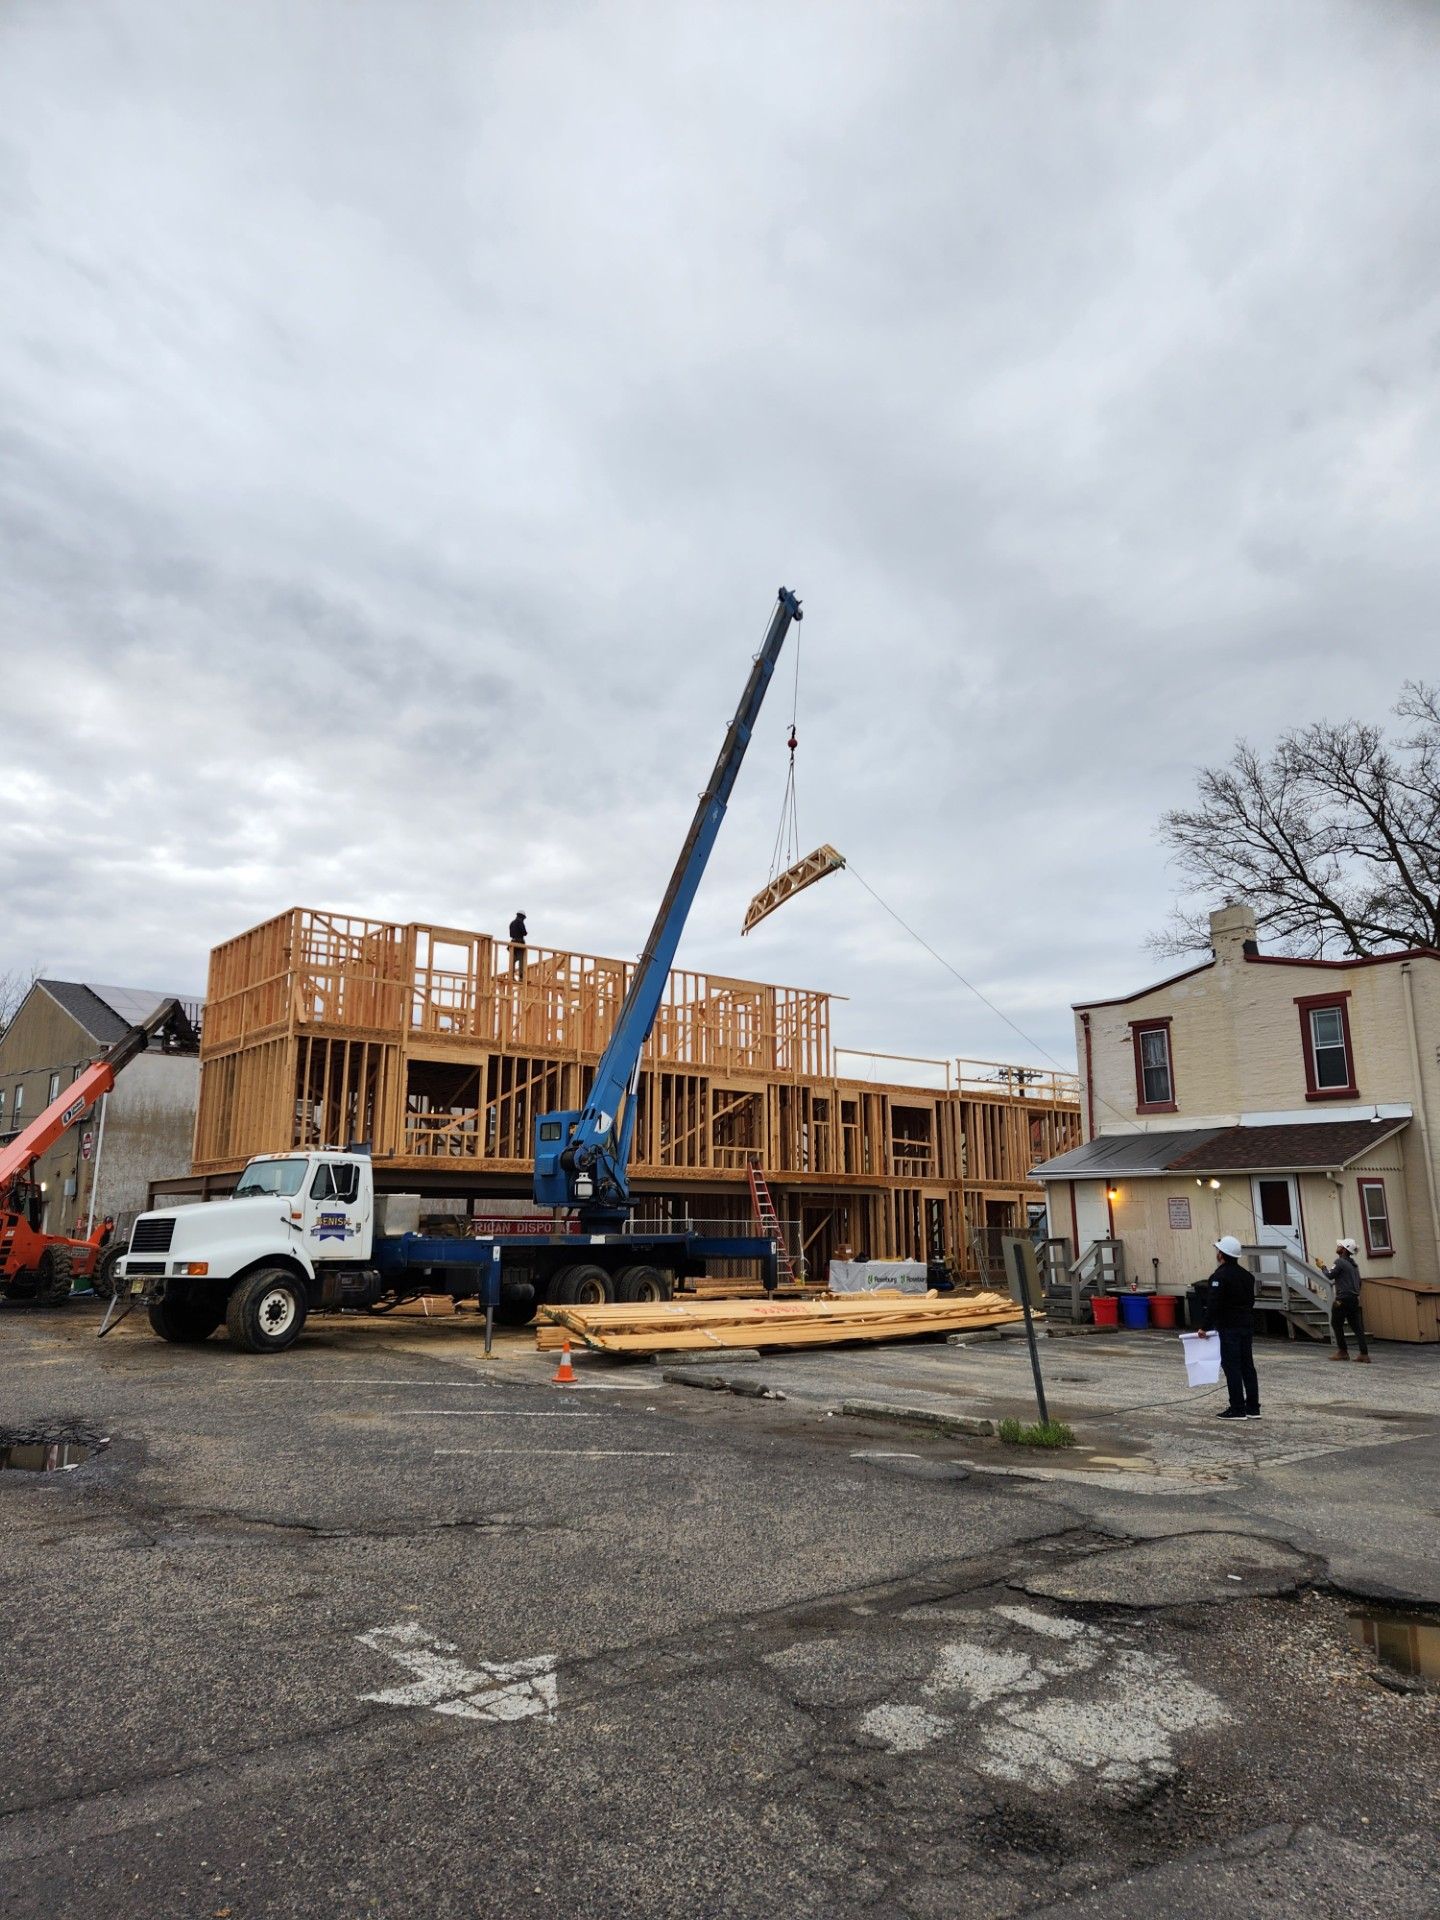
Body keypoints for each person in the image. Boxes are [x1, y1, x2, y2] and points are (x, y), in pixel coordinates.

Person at [1196, 1234, 1260, 1419]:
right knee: (1248, 1365)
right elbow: (1251, 1301)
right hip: (1246, 1325)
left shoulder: (1219, 1276)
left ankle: (1237, 1408)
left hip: (1229, 1327)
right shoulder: (1247, 1276)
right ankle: (1253, 1407)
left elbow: (1214, 1303)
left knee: (1232, 1366)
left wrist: (1204, 1326)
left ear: (1221, 1254)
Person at [1324, 1237, 1369, 1362]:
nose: (1338, 1246)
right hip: (1354, 1299)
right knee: (1357, 1327)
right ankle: (1364, 1354)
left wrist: (1322, 1266)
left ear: (1343, 1250)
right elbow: (1359, 1283)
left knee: (1336, 1323)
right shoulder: (1354, 1265)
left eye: (1340, 1246)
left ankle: (1342, 1352)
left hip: (1342, 1299)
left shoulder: (1340, 1262)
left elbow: (1329, 1275)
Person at [508, 911, 527, 980]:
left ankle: (511, 976)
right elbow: (524, 933)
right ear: (522, 917)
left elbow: (510, 935)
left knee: (512, 960)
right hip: (519, 944)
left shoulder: (512, 923)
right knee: (521, 960)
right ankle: (521, 976)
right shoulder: (520, 922)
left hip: (512, 943)